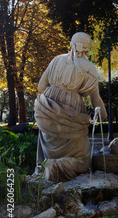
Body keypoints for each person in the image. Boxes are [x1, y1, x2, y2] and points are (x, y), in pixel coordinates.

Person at [33, 32, 107, 182]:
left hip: (48, 105)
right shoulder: (89, 67)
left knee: (47, 145)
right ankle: (56, 166)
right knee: (82, 161)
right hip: (72, 108)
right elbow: (96, 99)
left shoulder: (56, 60)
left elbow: (41, 86)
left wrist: (52, 99)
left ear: (72, 44)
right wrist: (103, 116)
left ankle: (44, 167)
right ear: (87, 48)